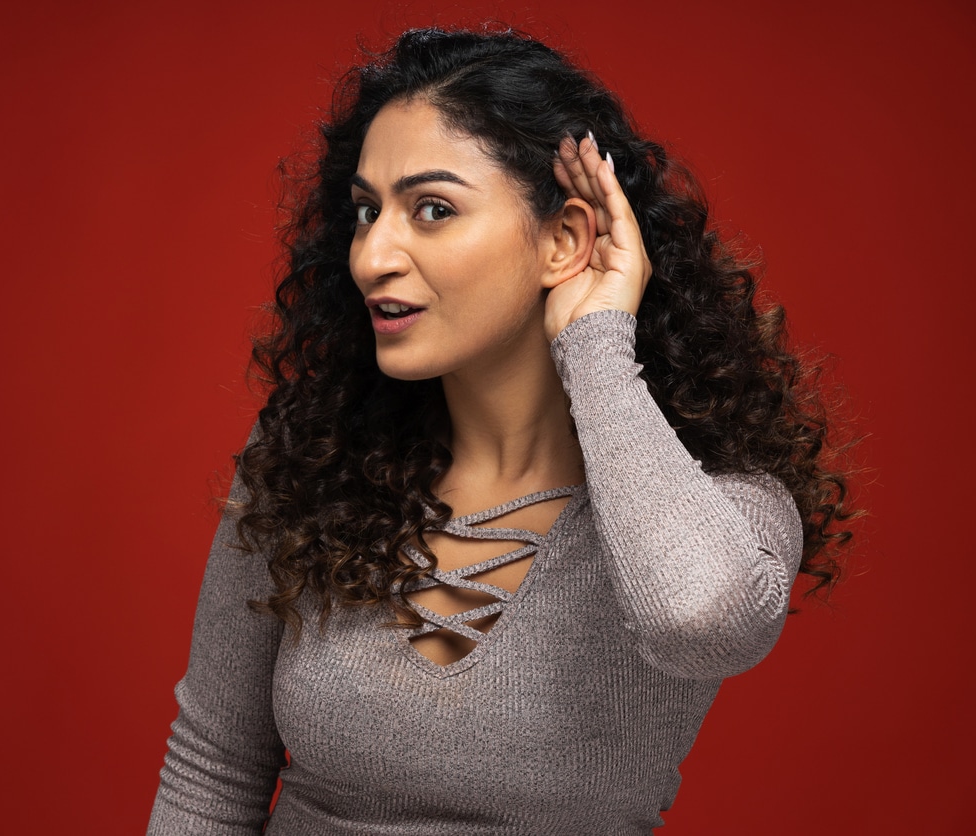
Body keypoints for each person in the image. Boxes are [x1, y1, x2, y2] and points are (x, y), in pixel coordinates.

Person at [147, 26, 854, 835]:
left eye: (433, 209)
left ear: (565, 240)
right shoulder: (310, 469)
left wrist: (594, 339)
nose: (372, 255)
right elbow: (213, 769)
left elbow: (698, 621)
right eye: (366, 212)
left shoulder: (717, 513)